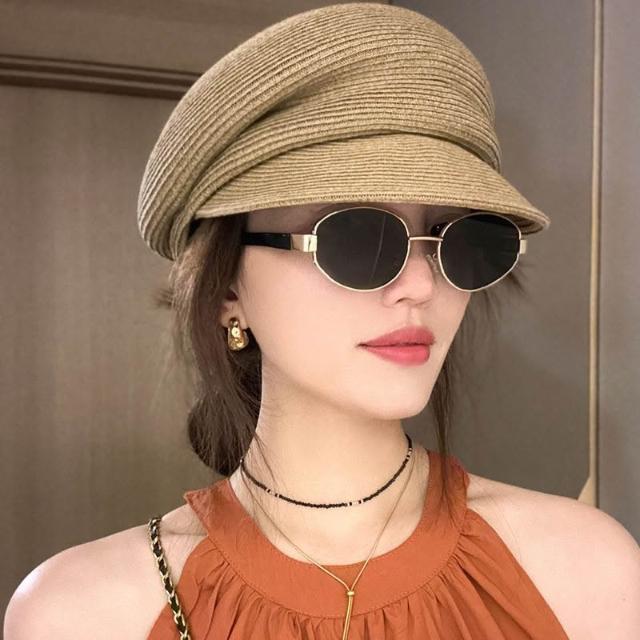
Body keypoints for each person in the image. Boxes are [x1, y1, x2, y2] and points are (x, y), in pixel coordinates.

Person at [5, 3, 640, 639]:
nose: (422, 285)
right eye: (357, 239)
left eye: (461, 240)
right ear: (226, 288)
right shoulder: (78, 615)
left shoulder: (586, 573)